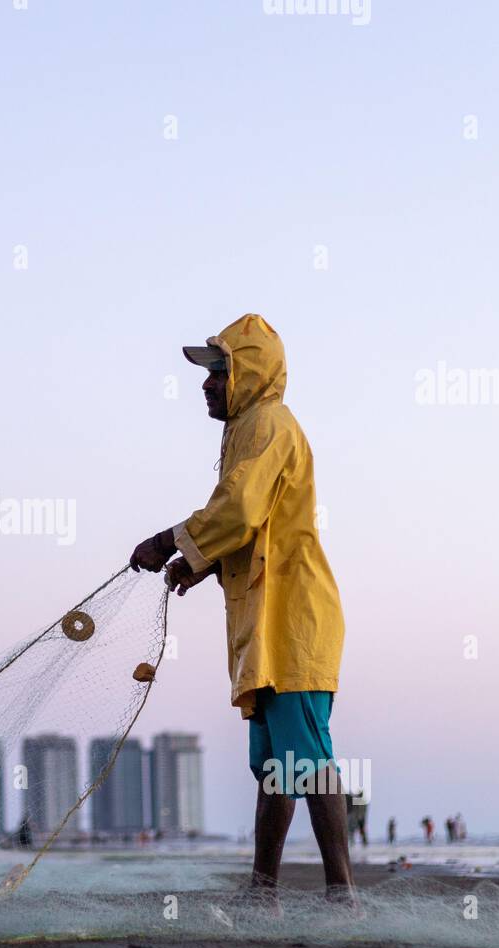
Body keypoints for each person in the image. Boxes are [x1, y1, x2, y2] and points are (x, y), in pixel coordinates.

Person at [131, 314, 350, 910]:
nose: (205, 384)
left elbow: (240, 508)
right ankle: (264, 893)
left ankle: (342, 896)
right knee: (278, 763)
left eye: (218, 371)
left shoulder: (266, 424)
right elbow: (250, 522)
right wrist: (196, 567)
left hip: (294, 620)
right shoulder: (246, 429)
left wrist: (168, 540)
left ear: (248, 375)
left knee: (308, 760)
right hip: (269, 620)